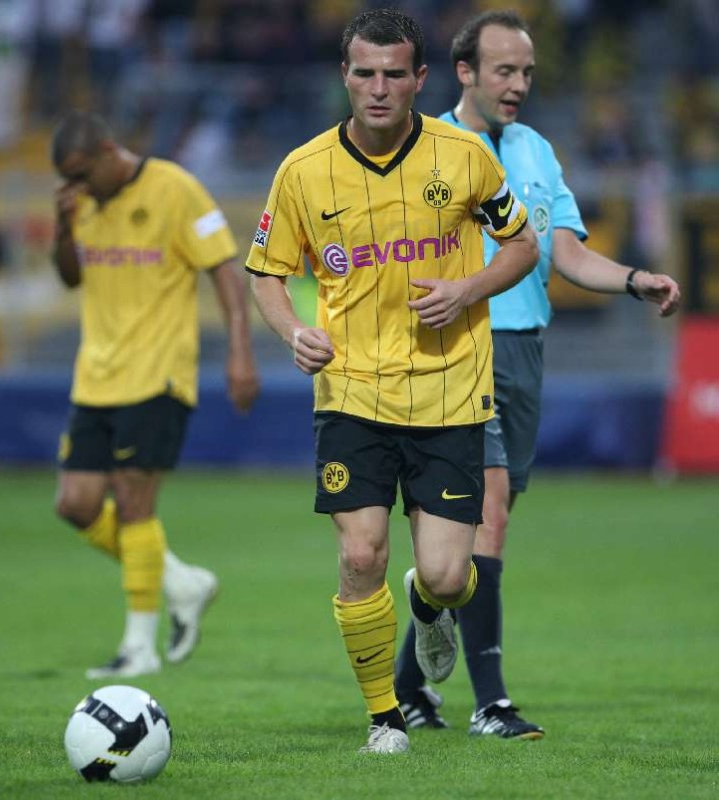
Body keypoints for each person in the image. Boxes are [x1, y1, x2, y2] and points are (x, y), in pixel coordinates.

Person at [246, 8, 539, 755]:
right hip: (351, 393)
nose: (378, 89)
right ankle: (384, 718)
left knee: (444, 576)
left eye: (394, 75)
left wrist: (467, 290)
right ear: (344, 75)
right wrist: (295, 333)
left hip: (448, 392)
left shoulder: (464, 157)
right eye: (364, 74)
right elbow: (266, 274)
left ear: (420, 79)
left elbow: (522, 246)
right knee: (359, 556)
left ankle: (429, 606)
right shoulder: (302, 170)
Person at [394, 9, 681, 739]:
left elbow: (566, 254)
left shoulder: (536, 150)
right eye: (503, 70)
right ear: (464, 72)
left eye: (525, 71)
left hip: (525, 352)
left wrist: (634, 280)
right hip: (458, 350)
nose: (517, 83)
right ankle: (491, 703)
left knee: (478, 536)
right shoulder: (426, 150)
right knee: (487, 514)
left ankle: (408, 682)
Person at [50, 111, 260, 679]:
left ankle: (138, 648)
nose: (75, 186)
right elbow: (70, 277)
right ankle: (180, 582)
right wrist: (63, 227)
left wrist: (240, 352)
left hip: (158, 371)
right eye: (67, 178)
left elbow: (224, 270)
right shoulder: (82, 203)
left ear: (107, 150)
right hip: (96, 374)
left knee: (133, 499)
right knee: (76, 504)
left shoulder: (175, 189)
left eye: (80, 174)